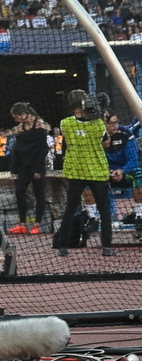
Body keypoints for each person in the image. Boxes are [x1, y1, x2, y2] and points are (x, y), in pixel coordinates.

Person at [57, 90, 115, 257]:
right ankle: (107, 247)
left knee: (70, 208)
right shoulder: (98, 124)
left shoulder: (65, 123)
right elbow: (106, 144)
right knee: (104, 209)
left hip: (76, 169)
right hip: (96, 169)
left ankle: (63, 247)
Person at [81, 111, 142, 230]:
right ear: (103, 124)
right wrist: (107, 171)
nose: (115, 126)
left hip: (126, 173)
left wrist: (122, 171)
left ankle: (140, 216)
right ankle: (93, 219)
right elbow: (93, 159)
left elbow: (134, 160)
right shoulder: (96, 136)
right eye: (111, 123)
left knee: (139, 175)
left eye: (116, 122)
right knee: (87, 180)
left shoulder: (127, 134)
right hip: (104, 173)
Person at [7, 102, 50, 234]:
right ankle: (22, 224)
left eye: (17, 117)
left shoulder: (40, 125)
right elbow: (16, 150)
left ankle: (37, 224)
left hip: (37, 165)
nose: (16, 120)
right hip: (23, 166)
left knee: (39, 194)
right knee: (19, 192)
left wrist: (38, 169)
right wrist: (13, 170)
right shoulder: (20, 128)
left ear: (24, 114)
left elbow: (43, 149)